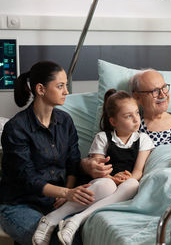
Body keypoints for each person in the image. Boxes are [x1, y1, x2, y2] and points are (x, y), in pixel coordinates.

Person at [32, 89, 154, 245]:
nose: (136, 119)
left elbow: (138, 172)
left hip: (124, 187)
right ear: (113, 121)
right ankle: (51, 218)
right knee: (107, 185)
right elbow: (97, 170)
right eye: (128, 116)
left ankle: (76, 220)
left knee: (134, 184)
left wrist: (126, 178)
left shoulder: (143, 139)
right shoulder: (103, 138)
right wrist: (111, 178)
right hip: (101, 184)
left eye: (137, 113)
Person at [0, 61, 94, 245]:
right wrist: (66, 192)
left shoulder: (65, 121)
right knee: (56, 241)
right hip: (20, 204)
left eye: (66, 85)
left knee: (83, 234)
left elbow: (73, 163)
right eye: (60, 86)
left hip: (57, 201)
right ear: (41, 89)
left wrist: (65, 193)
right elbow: (28, 179)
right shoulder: (16, 128)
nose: (66, 91)